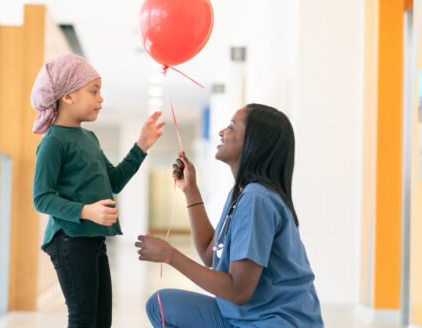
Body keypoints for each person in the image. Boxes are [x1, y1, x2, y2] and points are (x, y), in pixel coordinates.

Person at [135, 104, 324, 327]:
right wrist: (191, 189)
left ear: (255, 142)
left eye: (232, 127)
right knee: (160, 305)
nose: (221, 132)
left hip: (275, 322)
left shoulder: (257, 199)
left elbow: (238, 290)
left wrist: (170, 255)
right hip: (245, 316)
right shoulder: (241, 193)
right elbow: (210, 254)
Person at [31, 53, 166, 328]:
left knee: (102, 320)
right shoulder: (53, 142)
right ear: (67, 96)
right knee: (83, 318)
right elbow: (41, 198)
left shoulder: (89, 138)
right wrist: (85, 211)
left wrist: (141, 146)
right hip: (68, 240)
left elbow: (113, 181)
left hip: (92, 239)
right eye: (94, 91)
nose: (100, 99)